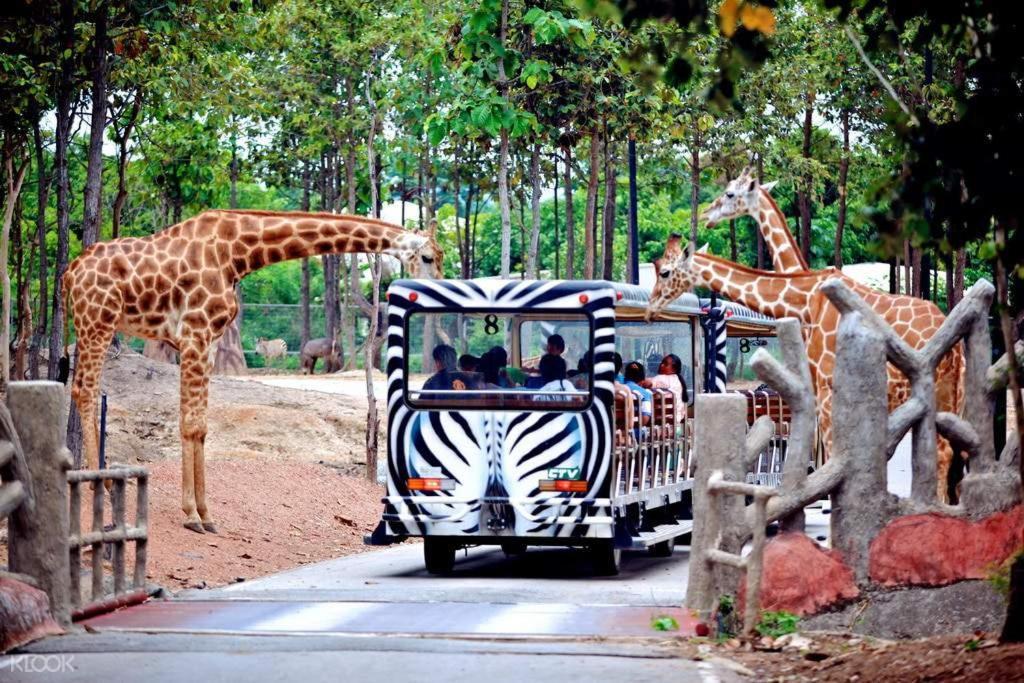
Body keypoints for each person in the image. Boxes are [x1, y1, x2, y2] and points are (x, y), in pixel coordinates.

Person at [641, 353, 689, 421]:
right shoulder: (677, 380)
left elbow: (645, 383)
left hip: (663, 420)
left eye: (665, 364)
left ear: (673, 370)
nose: (661, 365)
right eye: (662, 362)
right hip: (677, 419)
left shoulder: (662, 378)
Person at [623, 361, 653, 426]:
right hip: (635, 429)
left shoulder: (619, 390)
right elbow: (645, 418)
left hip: (617, 428)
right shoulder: (645, 394)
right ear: (642, 379)